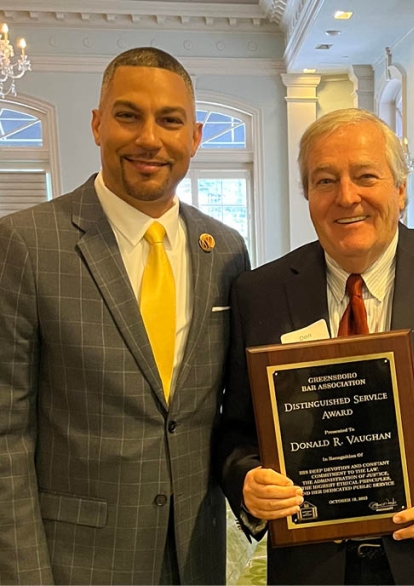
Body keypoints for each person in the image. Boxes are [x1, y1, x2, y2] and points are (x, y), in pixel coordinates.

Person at [215, 108, 414, 584]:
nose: (346, 197)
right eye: (324, 181)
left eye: (366, 176)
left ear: (400, 190)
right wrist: (248, 482)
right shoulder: (260, 293)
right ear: (307, 195)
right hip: (312, 568)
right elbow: (235, 429)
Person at [0, 47, 250, 584]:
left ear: (195, 137)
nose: (149, 139)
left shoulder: (227, 250)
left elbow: (231, 408)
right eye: (128, 115)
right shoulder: (27, 243)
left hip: (195, 553)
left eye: (170, 120)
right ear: (96, 124)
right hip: (77, 562)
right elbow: (7, 435)